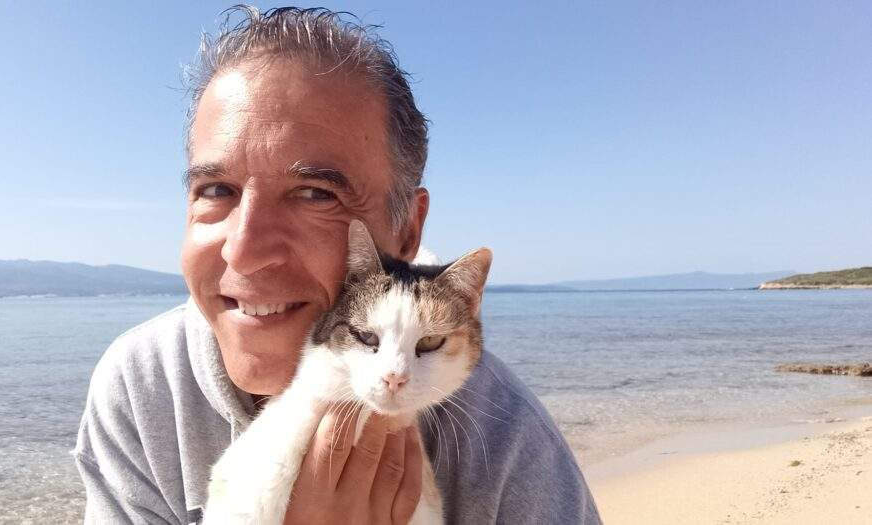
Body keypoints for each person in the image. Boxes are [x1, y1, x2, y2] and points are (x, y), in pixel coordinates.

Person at [71, 6, 601, 524]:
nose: (244, 251)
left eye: (315, 194)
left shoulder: (507, 444)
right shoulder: (143, 390)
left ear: (408, 230)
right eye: (215, 189)